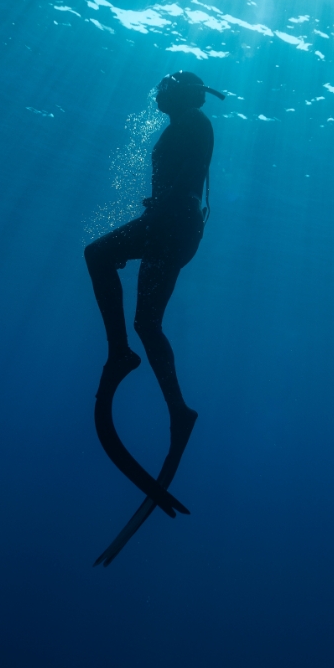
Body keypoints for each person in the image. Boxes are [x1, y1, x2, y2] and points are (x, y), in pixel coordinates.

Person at [84, 71, 224, 527]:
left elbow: (187, 176)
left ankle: (119, 353)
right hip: (175, 225)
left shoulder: (194, 122)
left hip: (174, 224)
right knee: (148, 322)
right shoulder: (186, 122)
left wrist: (158, 208)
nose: (158, 94)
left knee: (98, 254)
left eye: (166, 89)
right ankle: (178, 411)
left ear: (180, 94)